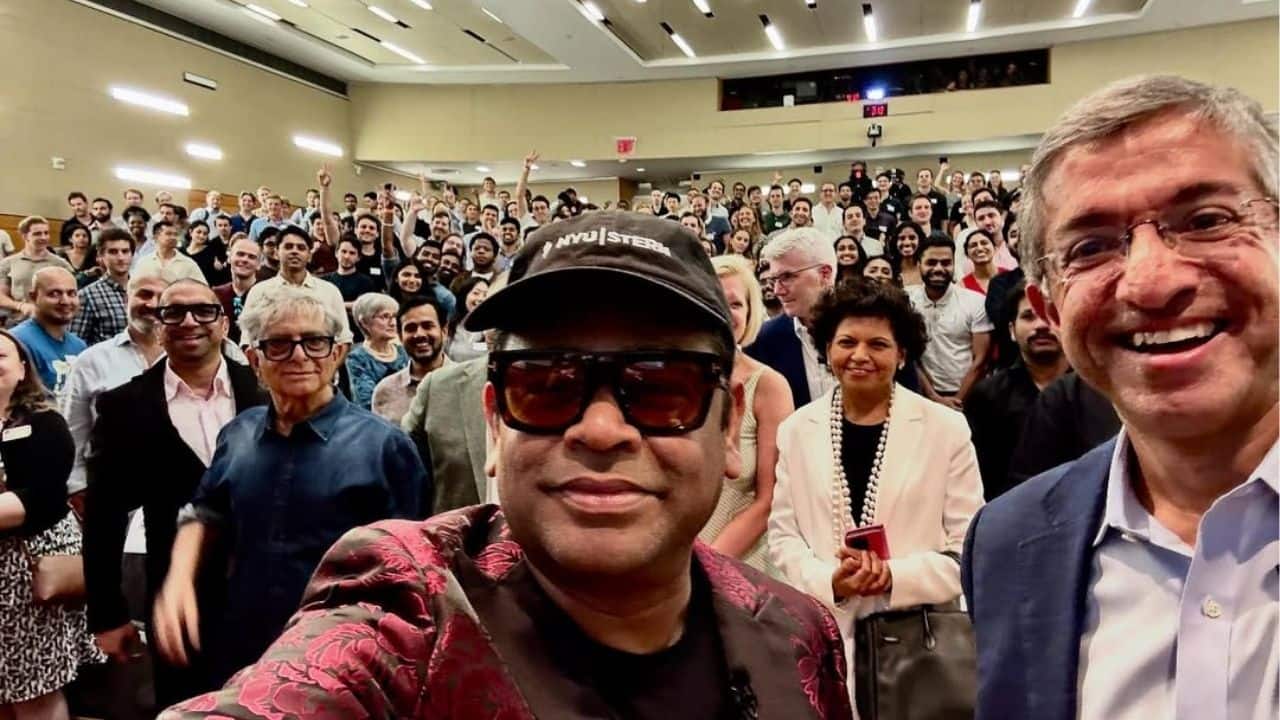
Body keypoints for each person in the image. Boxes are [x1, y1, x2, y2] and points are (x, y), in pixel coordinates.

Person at [162, 211, 851, 719]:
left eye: (661, 385)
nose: (601, 429)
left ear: (730, 423)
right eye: (546, 384)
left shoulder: (798, 635)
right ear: (495, 422)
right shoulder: (407, 610)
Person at [962, 75, 1279, 720]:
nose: (1151, 282)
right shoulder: (1006, 543)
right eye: (1092, 247)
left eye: (1206, 220)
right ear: (1048, 307)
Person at [153, 285, 426, 691]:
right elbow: (205, 510)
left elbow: (411, 572)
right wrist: (177, 582)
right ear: (254, 359)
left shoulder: (385, 446)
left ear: (337, 354)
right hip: (244, 650)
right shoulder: (238, 434)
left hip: (341, 663)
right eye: (278, 344)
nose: (299, 356)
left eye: (314, 342)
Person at [769, 278, 984, 700]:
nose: (860, 356)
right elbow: (782, 538)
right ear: (827, 348)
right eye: (846, 342)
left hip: (918, 648)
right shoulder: (797, 429)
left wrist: (892, 576)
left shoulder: (946, 428)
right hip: (824, 637)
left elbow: (970, 549)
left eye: (878, 345)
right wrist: (830, 579)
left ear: (902, 354)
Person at [85, 280, 265, 708]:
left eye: (203, 311)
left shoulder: (265, 389)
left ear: (224, 324)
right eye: (174, 313)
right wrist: (107, 614)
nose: (189, 322)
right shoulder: (124, 405)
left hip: (266, 588)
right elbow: (105, 514)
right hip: (175, 598)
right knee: (186, 707)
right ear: (159, 327)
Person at [0, 329, 104, 718]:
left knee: (34, 690)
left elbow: (41, 498)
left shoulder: (45, 423)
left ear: (23, 367)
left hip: (29, 577)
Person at [701, 256, 793, 571]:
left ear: (750, 312)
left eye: (735, 304)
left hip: (746, 570)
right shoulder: (668, 382)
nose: (724, 313)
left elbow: (770, 501)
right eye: (711, 300)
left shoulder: (769, 386)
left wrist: (705, 567)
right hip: (670, 572)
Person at [61, 269, 168, 499]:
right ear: (126, 299)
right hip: (109, 497)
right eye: (145, 294)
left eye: (162, 297)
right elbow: (73, 436)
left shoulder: (187, 360)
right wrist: (79, 491)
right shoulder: (91, 361)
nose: (153, 304)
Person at [963, 282, 1069, 500]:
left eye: (1050, 314)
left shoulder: (1099, 391)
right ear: (1011, 330)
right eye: (1029, 316)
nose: (1041, 325)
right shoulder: (986, 397)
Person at [746, 227, 838, 407]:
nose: (777, 290)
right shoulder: (763, 340)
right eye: (774, 279)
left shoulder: (876, 330)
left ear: (825, 274)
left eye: (787, 277)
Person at [907, 237, 992, 409]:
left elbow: (981, 360)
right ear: (919, 265)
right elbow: (908, 355)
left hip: (967, 395)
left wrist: (956, 402)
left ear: (954, 265)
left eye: (946, 263)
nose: (938, 269)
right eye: (931, 262)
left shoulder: (976, 302)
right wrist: (934, 397)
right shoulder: (907, 301)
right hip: (921, 394)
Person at [240, 226, 352, 347]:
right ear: (276, 253)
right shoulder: (259, 291)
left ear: (309, 255)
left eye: (301, 248)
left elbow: (344, 339)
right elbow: (247, 341)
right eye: (288, 247)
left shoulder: (329, 291)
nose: (295, 251)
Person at [371, 294, 450, 425]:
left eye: (427, 326)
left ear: (444, 331)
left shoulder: (467, 384)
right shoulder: (385, 391)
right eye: (410, 328)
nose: (419, 334)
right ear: (400, 337)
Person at [11, 267, 85, 397]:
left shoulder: (79, 346)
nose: (65, 301)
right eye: (55, 294)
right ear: (33, 297)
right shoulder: (17, 342)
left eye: (71, 293)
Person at [0, 217, 74, 325]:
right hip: (17, 322)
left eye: (46, 233)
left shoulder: (61, 263)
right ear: (25, 236)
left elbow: (71, 295)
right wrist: (20, 306)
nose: (43, 237)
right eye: (37, 234)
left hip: (51, 322)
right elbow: (1, 296)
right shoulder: (8, 263)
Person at [71, 228, 134, 347]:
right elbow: (76, 343)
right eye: (113, 252)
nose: (121, 257)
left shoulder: (143, 291)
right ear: (101, 256)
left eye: (125, 251)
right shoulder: (87, 295)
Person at [344, 292, 407, 409]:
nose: (393, 323)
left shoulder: (403, 351)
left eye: (394, 317)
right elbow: (366, 402)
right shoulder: (357, 358)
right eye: (385, 317)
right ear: (364, 322)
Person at [211, 235, 261, 345]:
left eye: (251, 257)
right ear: (229, 257)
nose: (244, 259)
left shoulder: (266, 294)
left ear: (259, 264)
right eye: (240, 254)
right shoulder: (214, 295)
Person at [134, 221, 205, 284]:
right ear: (156, 237)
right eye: (168, 234)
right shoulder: (144, 262)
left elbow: (202, 287)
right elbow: (134, 286)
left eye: (175, 234)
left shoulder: (188, 263)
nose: (173, 237)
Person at [445, 276, 489, 363]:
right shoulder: (451, 324)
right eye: (476, 293)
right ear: (465, 295)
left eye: (486, 295)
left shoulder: (492, 330)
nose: (481, 299)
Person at [959, 228, 1001, 295]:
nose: (980, 248)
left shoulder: (1012, 277)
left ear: (995, 248)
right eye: (973, 245)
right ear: (967, 255)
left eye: (984, 243)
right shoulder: (962, 287)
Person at [890, 221, 924, 287]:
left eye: (912, 238)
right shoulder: (889, 269)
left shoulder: (926, 269)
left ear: (920, 241)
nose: (907, 243)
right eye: (902, 238)